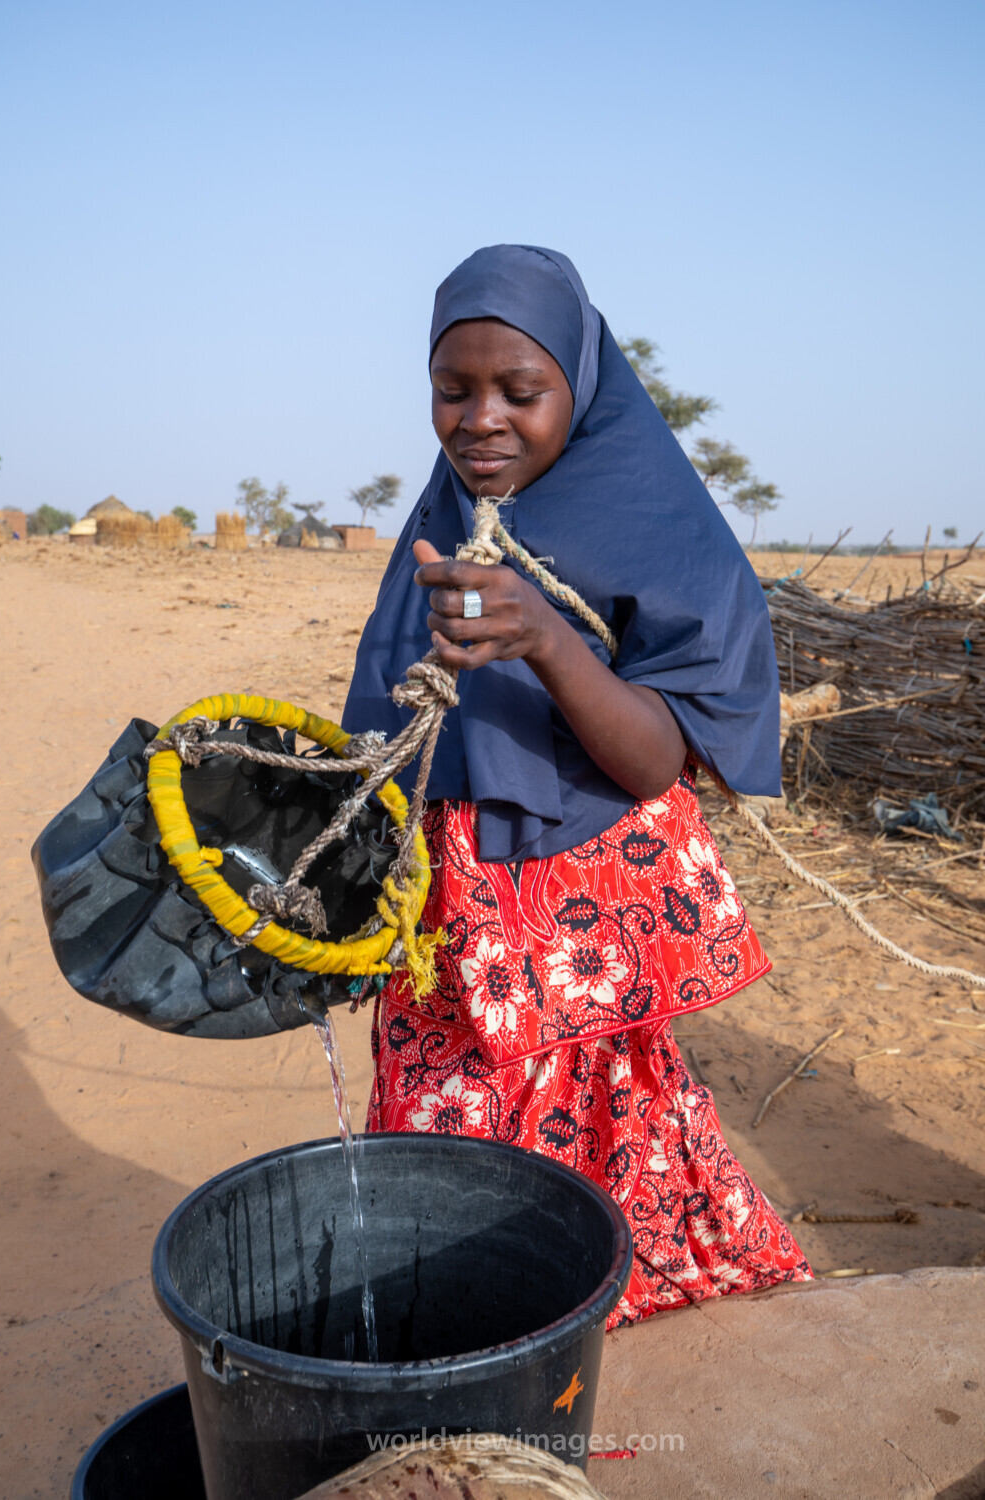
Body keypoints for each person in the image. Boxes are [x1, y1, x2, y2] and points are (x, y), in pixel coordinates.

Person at [342, 244, 811, 1325]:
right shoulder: (435, 521)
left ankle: (577, 1338)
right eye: (452, 392)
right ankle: (479, 1329)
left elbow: (654, 760)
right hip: (449, 912)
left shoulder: (658, 525)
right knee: (439, 1135)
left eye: (521, 391)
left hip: (582, 914)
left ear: (581, 386)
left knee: (593, 1132)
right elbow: (391, 728)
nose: (480, 420)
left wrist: (546, 638)